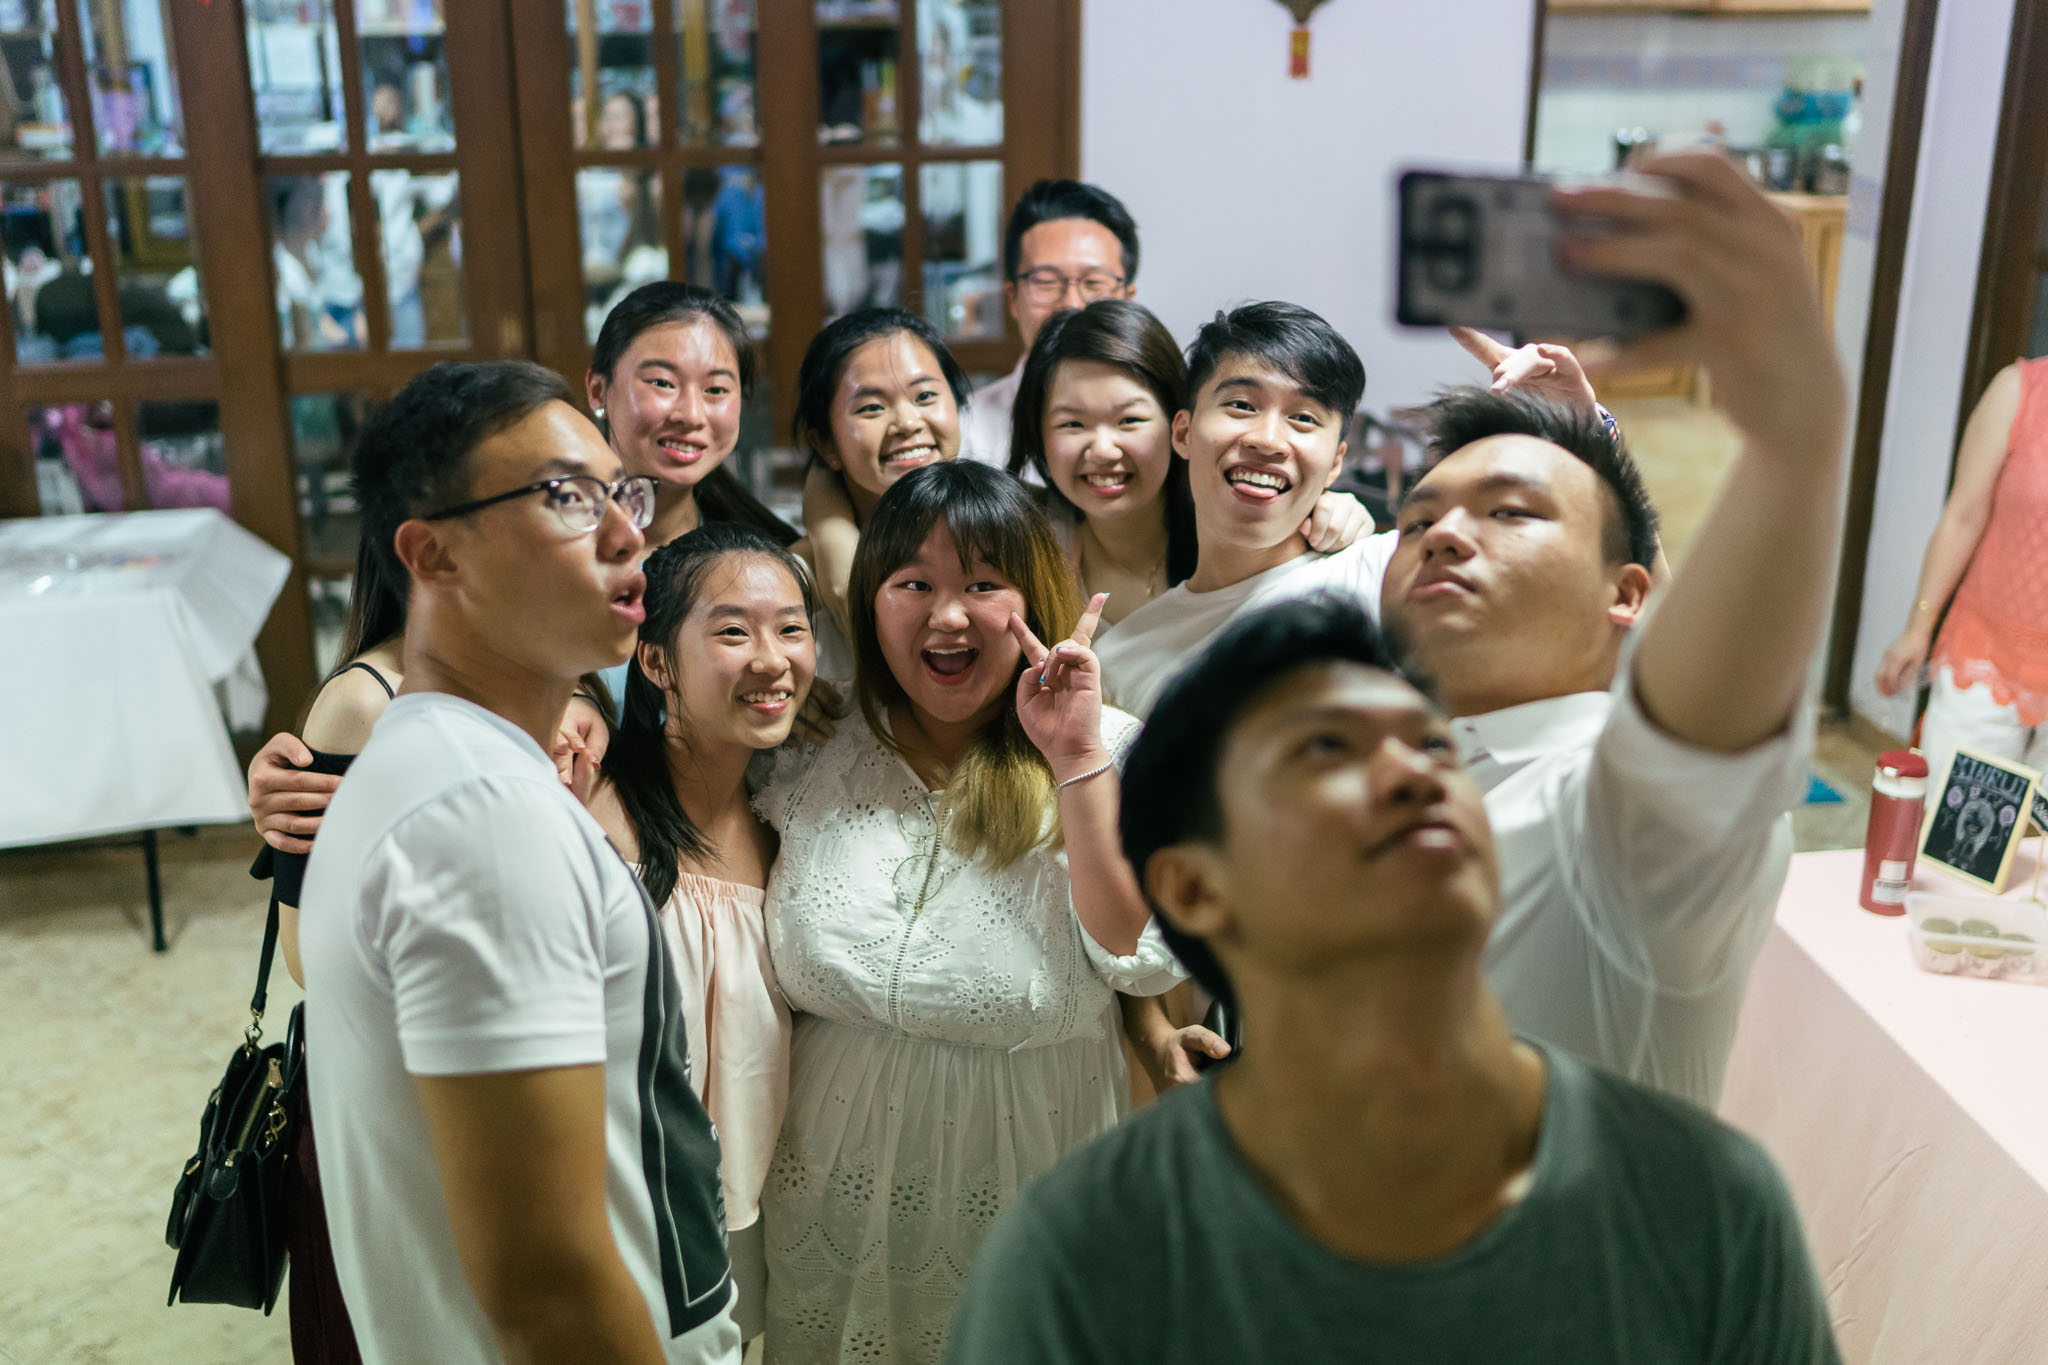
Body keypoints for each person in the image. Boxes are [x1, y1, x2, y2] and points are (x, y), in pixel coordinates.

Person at [943, 599, 1842, 1364]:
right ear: (1194, 886)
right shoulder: (1093, 1250)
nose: (1415, 772)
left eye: (1435, 745)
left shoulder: (1702, 1201)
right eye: (1328, 748)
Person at [297, 359, 740, 1363]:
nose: (626, 533)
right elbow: (546, 1282)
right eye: (566, 498)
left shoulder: (436, 758)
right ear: (433, 554)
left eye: (621, 494)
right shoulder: (480, 815)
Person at [754, 460, 1183, 1363]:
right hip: (824, 1189)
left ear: (1034, 598)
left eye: (984, 584)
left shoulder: (1111, 750)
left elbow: (1137, 953)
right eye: (914, 583)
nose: (948, 616)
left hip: (1031, 1173)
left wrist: (1074, 756)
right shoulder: (808, 750)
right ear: (870, 602)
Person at [586, 525, 819, 1343]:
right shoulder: (594, 810)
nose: (772, 659)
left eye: (791, 628)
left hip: (744, 1203)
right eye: (732, 632)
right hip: (616, 1207)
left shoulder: (789, 817)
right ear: (655, 661)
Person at [1092, 298, 1383, 718]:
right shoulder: (1119, 661)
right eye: (1242, 406)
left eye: (1304, 418)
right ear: (1183, 432)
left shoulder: (1383, 572)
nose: (1267, 440)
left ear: (1336, 462)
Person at [1009, 298, 1370, 629]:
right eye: (1072, 424)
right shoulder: (1021, 546)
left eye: (1130, 420)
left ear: (1180, 427)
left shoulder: (1232, 523)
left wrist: (1337, 513)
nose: (1104, 451)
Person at [1874, 357, 2048, 783]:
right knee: (1954, 813)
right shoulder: (2020, 389)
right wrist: (1918, 627)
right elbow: (1962, 517)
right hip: (1987, 653)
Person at [787, 307, 973, 670]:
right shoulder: (795, 582)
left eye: (925, 396)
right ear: (826, 443)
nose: (907, 422)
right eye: (872, 407)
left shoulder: (1006, 537)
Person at [962, 179, 1140, 470]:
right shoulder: (966, 430)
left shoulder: (1165, 422)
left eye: (1094, 282)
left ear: (1127, 300)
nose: (1071, 304)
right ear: (1013, 299)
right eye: (1046, 282)